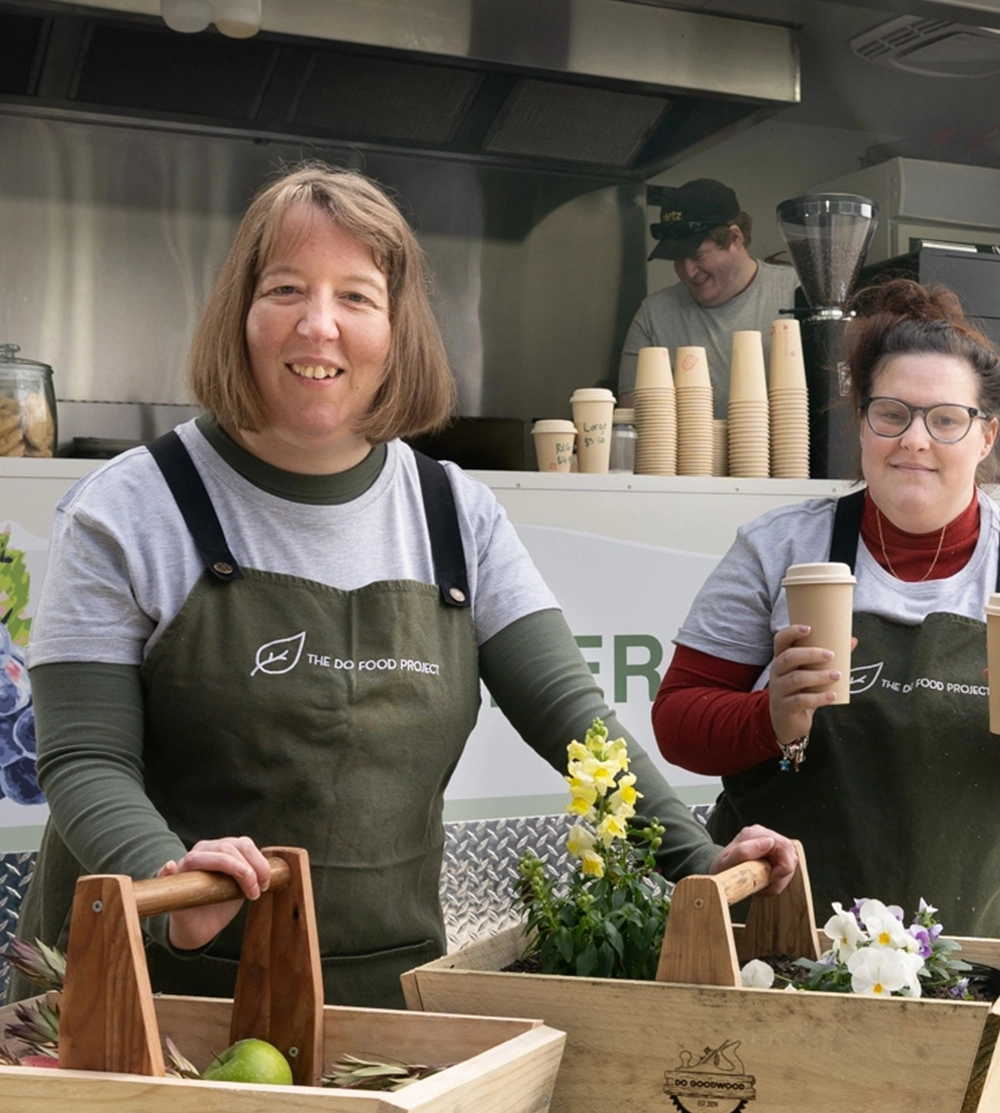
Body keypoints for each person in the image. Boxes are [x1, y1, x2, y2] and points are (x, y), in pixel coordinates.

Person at [9, 164, 795, 1010]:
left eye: (355, 297)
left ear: (396, 329)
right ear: (239, 314)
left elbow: (578, 725)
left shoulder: (456, 513)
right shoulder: (128, 509)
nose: (319, 327)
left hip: (380, 998)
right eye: (285, 289)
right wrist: (165, 884)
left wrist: (696, 860)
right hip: (143, 994)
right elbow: (84, 757)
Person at [652, 279, 1000, 1005]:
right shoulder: (778, 552)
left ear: (986, 434)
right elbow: (678, 721)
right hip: (800, 964)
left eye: (946, 419)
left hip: (994, 969)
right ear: (860, 425)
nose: (915, 440)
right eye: (891, 414)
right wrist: (767, 718)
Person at [618, 179, 798, 416]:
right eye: (679, 260)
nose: (689, 271)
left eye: (698, 255)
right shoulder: (654, 315)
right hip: (689, 454)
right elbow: (633, 419)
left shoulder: (797, 292)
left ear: (735, 238)